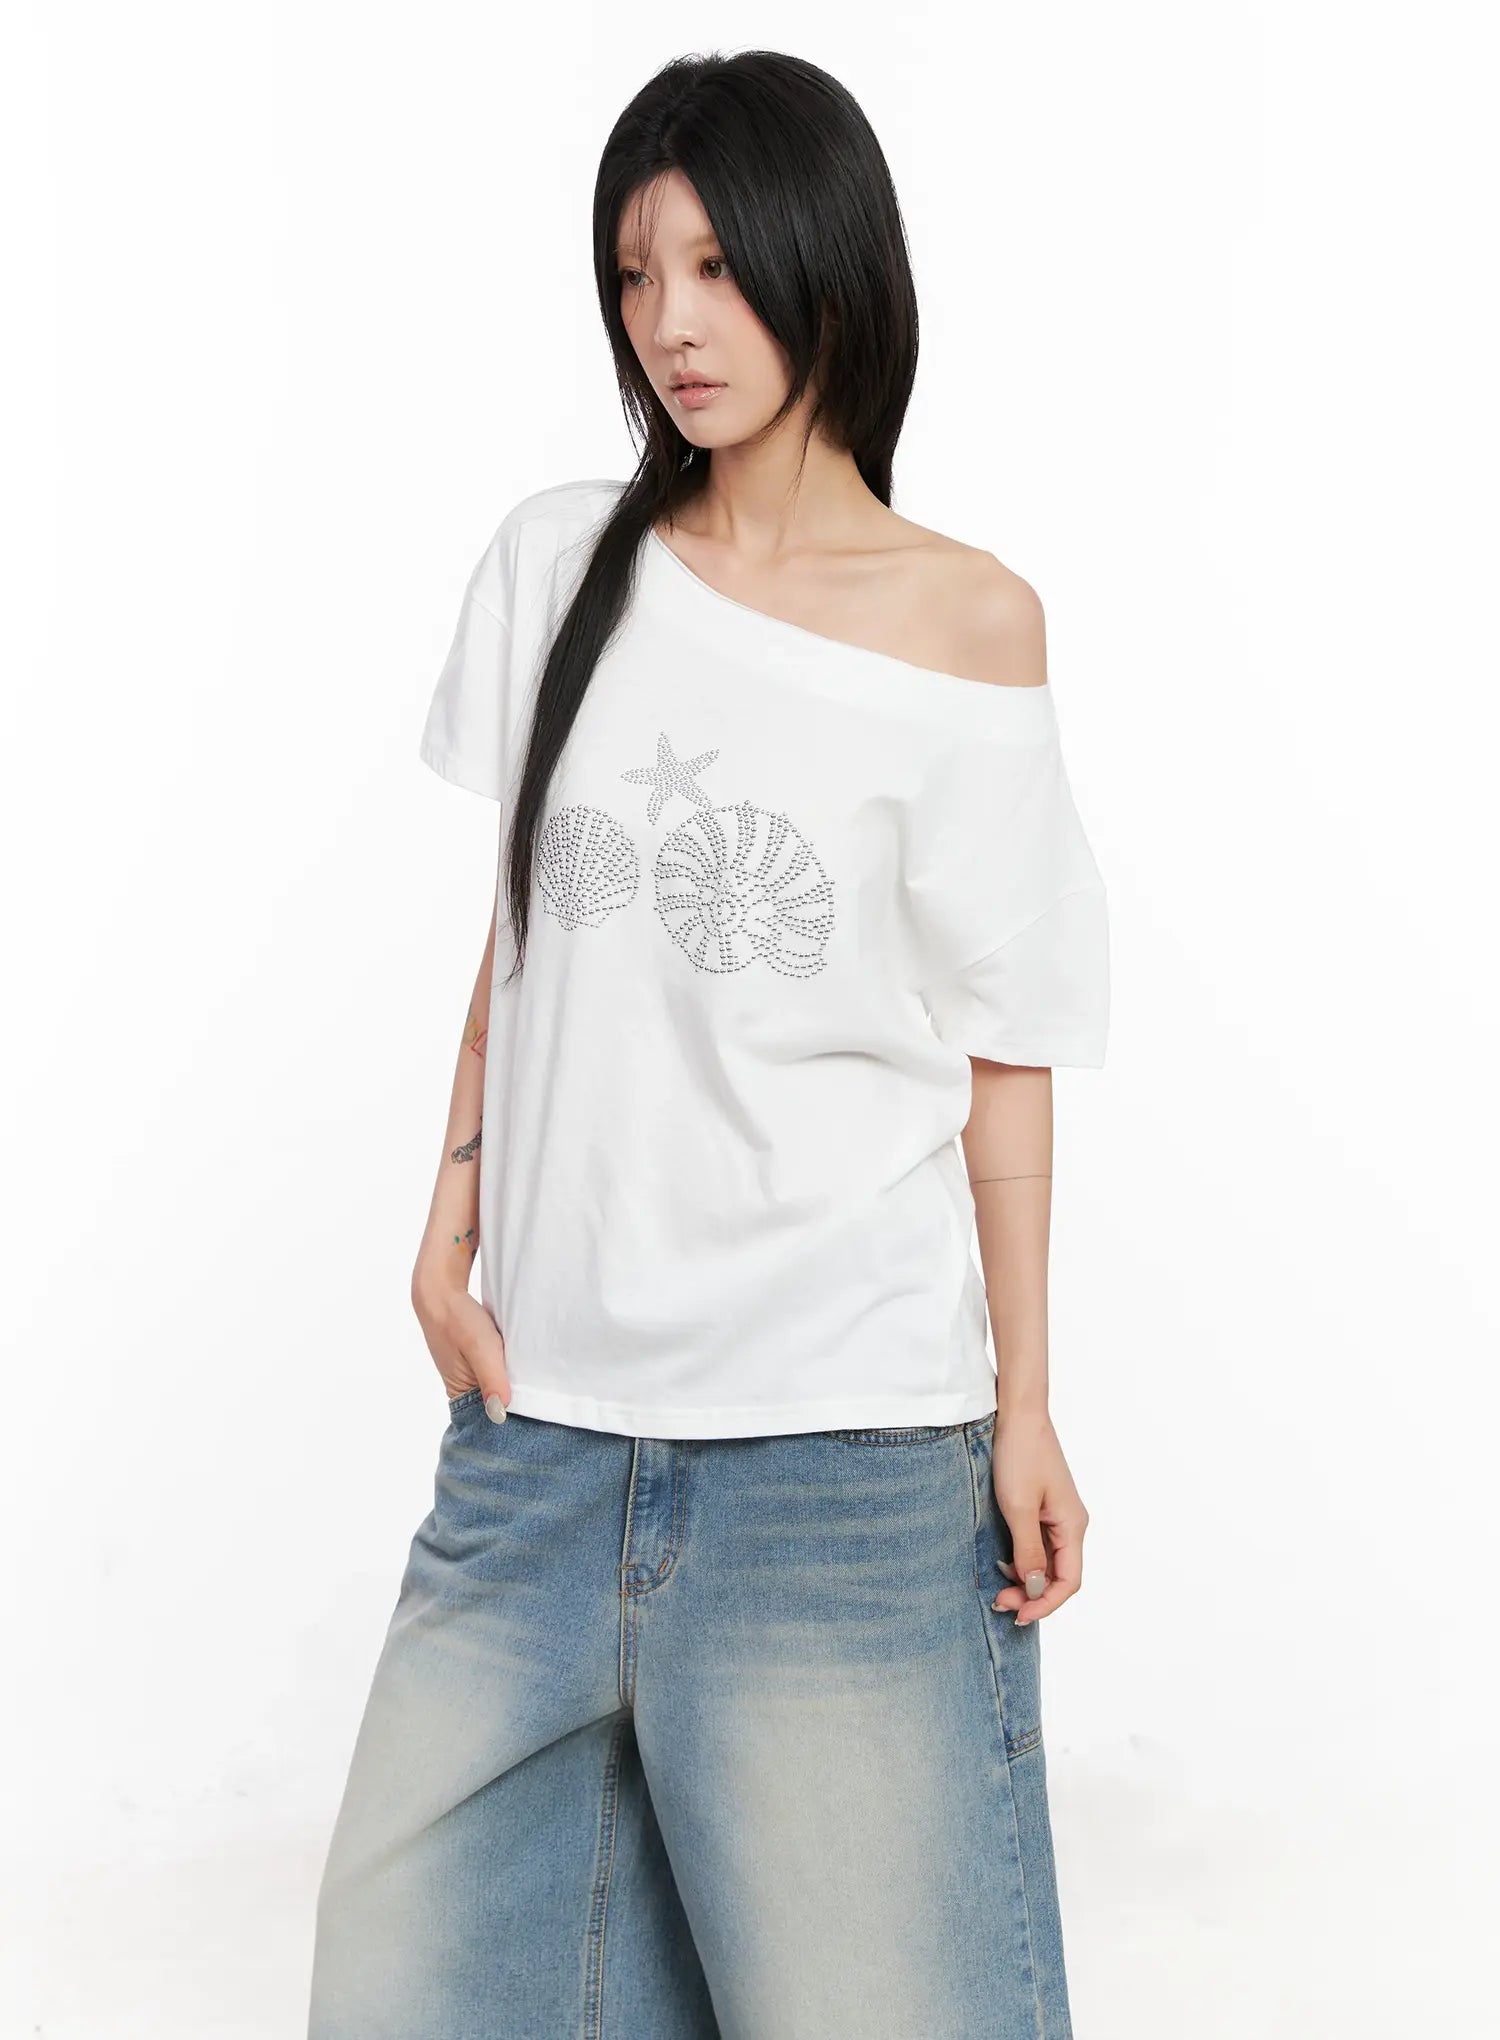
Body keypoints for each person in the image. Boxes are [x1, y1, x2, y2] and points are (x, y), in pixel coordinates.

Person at [308, 48, 1109, 2040]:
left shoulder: (964, 624)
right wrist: (448, 1220)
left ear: (827, 260)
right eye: (636, 274)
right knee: (409, 1993)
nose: (672, 321)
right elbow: (526, 935)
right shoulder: (559, 562)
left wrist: (1025, 1404)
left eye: (719, 266)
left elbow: (1006, 1043)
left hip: (844, 1464)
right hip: (539, 1448)